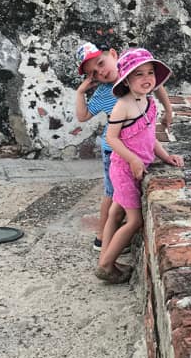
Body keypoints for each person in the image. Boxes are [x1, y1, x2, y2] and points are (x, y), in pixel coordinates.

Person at [74, 42, 173, 254]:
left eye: (101, 63)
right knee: (111, 194)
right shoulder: (103, 93)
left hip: (134, 144)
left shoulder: (135, 70)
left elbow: (158, 85)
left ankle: (114, 237)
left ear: (113, 54)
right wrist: (80, 92)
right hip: (114, 149)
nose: (101, 71)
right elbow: (83, 117)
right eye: (94, 73)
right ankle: (102, 238)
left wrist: (168, 111)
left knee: (121, 198)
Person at [97, 48, 184, 283]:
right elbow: (111, 139)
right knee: (134, 220)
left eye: (150, 73)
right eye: (138, 74)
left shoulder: (148, 101)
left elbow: (148, 137)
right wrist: (134, 159)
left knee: (115, 213)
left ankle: (105, 258)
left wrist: (165, 156)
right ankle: (106, 265)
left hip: (131, 166)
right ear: (126, 79)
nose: (146, 79)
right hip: (124, 169)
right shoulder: (123, 105)